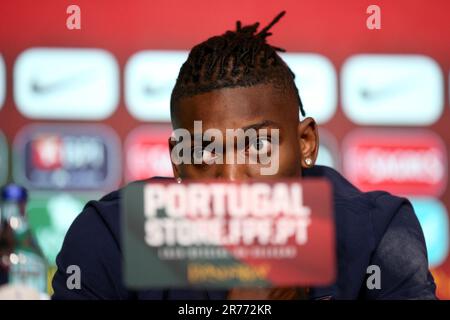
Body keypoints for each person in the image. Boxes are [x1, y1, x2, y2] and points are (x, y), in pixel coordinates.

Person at [52, 12, 437, 300]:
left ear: (305, 144)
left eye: (259, 146)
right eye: (204, 150)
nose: (233, 180)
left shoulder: (377, 234)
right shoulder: (112, 235)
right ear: (178, 161)